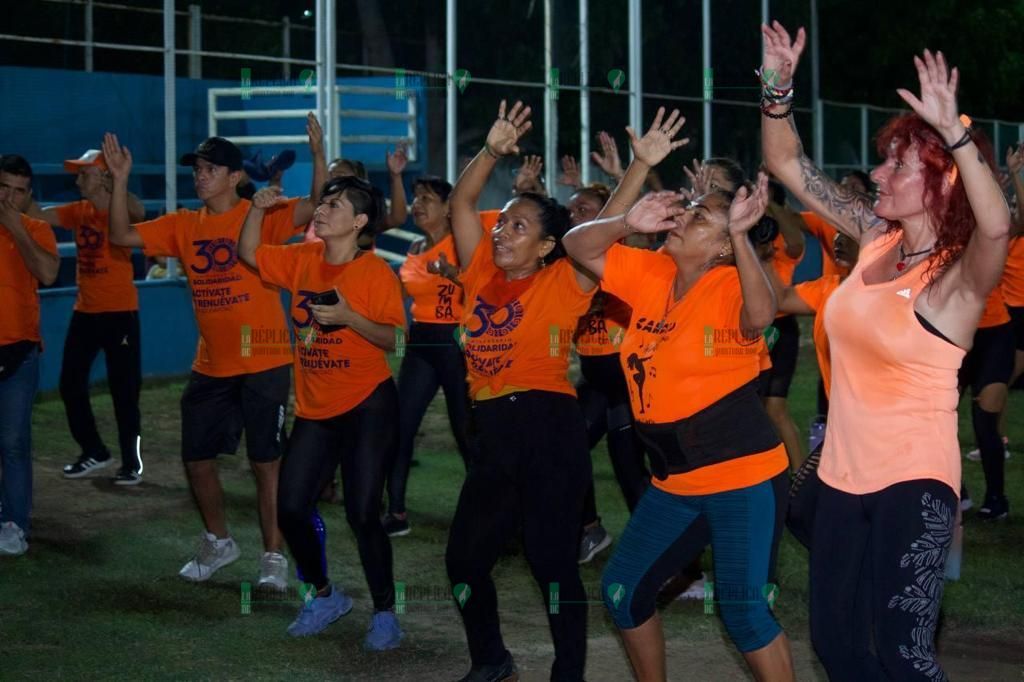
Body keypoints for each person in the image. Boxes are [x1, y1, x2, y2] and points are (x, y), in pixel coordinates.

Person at [762, 22, 1011, 679]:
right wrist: (776, 87)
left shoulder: (957, 279)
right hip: (841, 478)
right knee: (838, 649)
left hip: (915, 486)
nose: (876, 172)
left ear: (943, 183)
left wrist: (956, 136)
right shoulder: (874, 235)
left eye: (896, 163)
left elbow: (998, 224)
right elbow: (788, 164)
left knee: (904, 658)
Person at [565, 108, 796, 680]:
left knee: (743, 612)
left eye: (701, 217)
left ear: (721, 246)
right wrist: (633, 193)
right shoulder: (650, 274)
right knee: (622, 591)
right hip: (675, 479)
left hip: (742, 475)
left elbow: (763, 312)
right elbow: (577, 245)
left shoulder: (729, 283)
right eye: (688, 209)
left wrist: (741, 238)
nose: (685, 216)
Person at [101, 114, 326, 589]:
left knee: (266, 462)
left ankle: (272, 557)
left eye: (209, 169)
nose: (200, 176)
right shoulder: (184, 224)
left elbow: (314, 206)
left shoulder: (260, 213)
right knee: (197, 458)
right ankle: (219, 541)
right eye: (197, 169)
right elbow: (121, 236)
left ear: (234, 176)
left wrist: (319, 156)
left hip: (265, 357)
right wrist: (120, 181)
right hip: (212, 363)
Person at [444, 100, 597, 682]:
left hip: (548, 424)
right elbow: (463, 202)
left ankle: (568, 674)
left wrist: (637, 169)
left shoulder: (564, 278)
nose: (502, 230)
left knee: (552, 563)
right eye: (503, 221)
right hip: (492, 430)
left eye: (519, 225)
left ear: (546, 246)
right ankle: (492, 660)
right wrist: (491, 150)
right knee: (463, 560)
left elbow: (599, 234)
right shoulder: (480, 270)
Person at [237, 175, 406, 649]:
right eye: (323, 202)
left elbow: (396, 339)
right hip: (315, 408)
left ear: (359, 222)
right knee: (290, 507)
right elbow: (249, 253)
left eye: (335, 205)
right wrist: (256, 209)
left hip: (368, 405)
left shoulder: (374, 273)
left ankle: (387, 613)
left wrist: (351, 317)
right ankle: (326, 596)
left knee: (361, 513)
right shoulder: (303, 258)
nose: (323, 209)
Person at [27, 149, 147, 485]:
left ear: (103, 177)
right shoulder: (78, 211)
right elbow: (37, 215)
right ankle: (94, 450)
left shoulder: (122, 209)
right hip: (86, 312)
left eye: (84, 174)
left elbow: (138, 211)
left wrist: (118, 183)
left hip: (120, 313)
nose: (78, 179)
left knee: (125, 393)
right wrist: (16, 194)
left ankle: (132, 463)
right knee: (70, 383)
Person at [382, 176, 476, 537]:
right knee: (400, 426)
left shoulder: (462, 242)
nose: (417, 204)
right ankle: (396, 513)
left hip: (456, 340)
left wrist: (452, 273)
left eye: (427, 198)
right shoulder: (414, 247)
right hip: (420, 342)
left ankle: (483, 512)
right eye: (415, 197)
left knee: (465, 430)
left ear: (449, 206)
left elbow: (482, 285)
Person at [570, 182, 652, 565]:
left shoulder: (624, 256)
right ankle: (589, 529)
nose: (575, 217)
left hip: (627, 380)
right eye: (572, 211)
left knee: (630, 468)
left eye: (584, 209)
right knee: (567, 449)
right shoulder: (569, 263)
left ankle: (674, 564)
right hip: (593, 378)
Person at [765, 232, 861, 548]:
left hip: (880, 435)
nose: (837, 239)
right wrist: (762, 252)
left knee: (814, 507)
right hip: (844, 432)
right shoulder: (830, 287)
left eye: (849, 233)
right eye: (835, 233)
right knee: (802, 509)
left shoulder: (895, 291)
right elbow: (778, 298)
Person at [0, 154, 59, 556]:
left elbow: (49, 273)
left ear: (28, 196)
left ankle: (15, 524)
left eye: (19, 191)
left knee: (15, 443)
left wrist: (16, 229)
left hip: (19, 353)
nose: (10, 196)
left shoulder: (36, 229)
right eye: (4, 187)